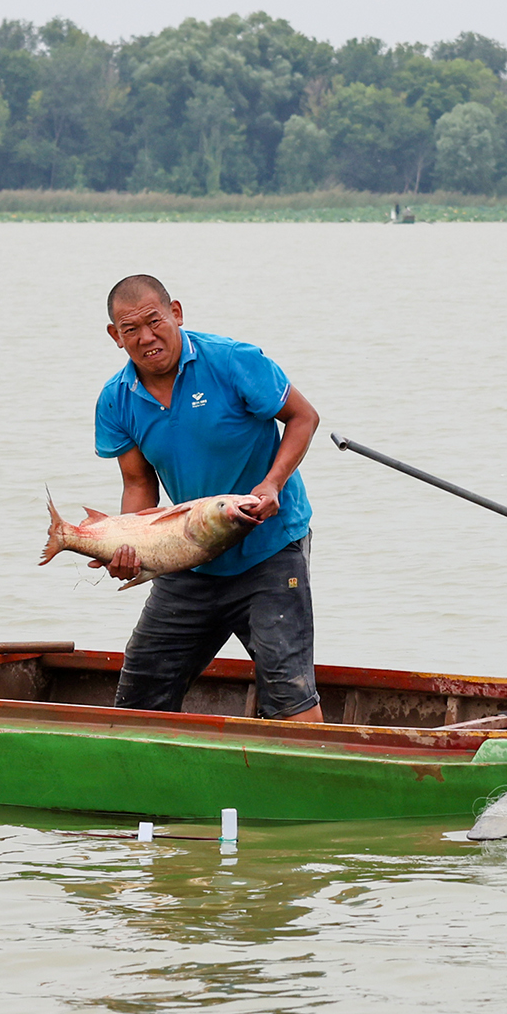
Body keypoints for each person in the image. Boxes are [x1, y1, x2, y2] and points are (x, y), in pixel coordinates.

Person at [92, 274, 324, 723]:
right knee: (139, 695)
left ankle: (314, 757)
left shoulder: (233, 361)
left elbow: (303, 417)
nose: (146, 337)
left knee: (289, 695)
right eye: (130, 329)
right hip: (189, 558)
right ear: (115, 336)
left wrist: (273, 483)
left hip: (269, 551)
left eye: (154, 321)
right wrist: (131, 546)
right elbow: (138, 484)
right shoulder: (116, 400)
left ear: (176, 313)